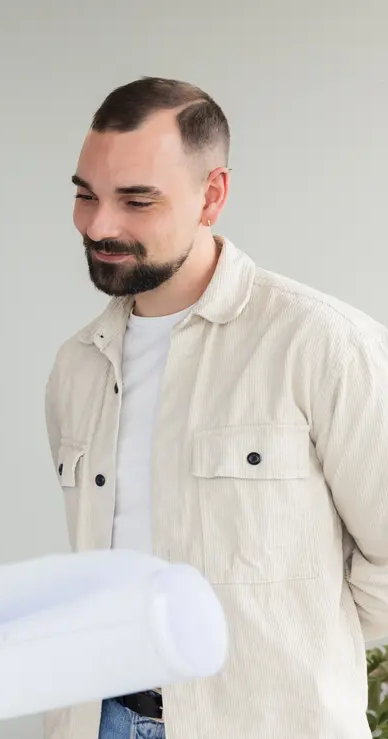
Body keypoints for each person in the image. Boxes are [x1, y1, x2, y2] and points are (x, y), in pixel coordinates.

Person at [44, 76, 388, 739]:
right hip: (100, 718)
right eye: (86, 195)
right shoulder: (76, 366)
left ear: (212, 196)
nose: (99, 224)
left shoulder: (322, 345)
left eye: (136, 200)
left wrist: (299, 636)